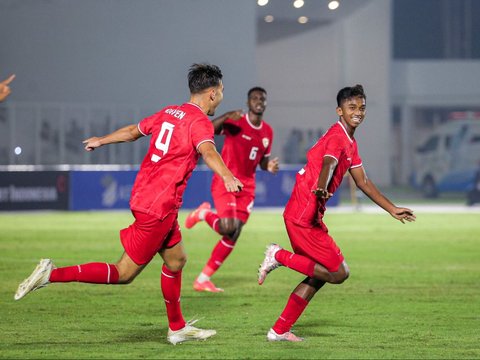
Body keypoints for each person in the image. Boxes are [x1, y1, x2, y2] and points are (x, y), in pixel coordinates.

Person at [14, 63, 243, 345]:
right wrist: (227, 174)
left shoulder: (169, 112)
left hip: (151, 198)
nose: (221, 97)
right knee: (124, 273)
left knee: (176, 260)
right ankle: (51, 274)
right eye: (221, 91)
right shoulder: (200, 122)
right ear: (211, 93)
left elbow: (134, 131)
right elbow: (208, 150)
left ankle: (177, 327)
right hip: (157, 207)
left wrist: (101, 140)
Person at [257, 84, 416, 342]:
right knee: (339, 273)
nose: (358, 112)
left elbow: (362, 182)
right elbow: (329, 162)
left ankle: (279, 330)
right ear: (339, 110)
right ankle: (278, 254)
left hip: (307, 215)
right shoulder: (338, 136)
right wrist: (321, 186)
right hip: (303, 216)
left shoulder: (350, 141)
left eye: (362, 108)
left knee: (318, 275)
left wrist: (391, 209)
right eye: (352, 107)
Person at [184, 87, 279, 292]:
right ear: (248, 102)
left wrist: (268, 166)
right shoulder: (236, 121)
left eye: (262, 98)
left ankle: (202, 279)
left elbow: (261, 161)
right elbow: (207, 129)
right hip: (226, 179)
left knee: (233, 233)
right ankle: (203, 213)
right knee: (228, 227)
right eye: (254, 98)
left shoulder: (267, 132)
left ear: (265, 102)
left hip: (247, 186)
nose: (259, 101)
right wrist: (226, 115)